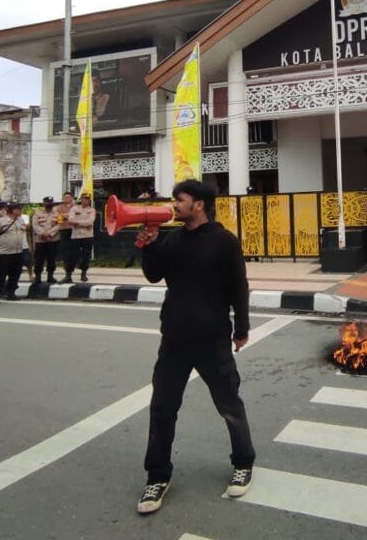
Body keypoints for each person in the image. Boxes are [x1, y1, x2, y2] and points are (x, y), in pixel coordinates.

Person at [134, 179, 254, 514]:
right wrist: (149, 246)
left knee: (229, 405)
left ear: (199, 204)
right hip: (174, 338)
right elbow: (154, 275)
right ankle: (157, 476)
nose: (174, 205)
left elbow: (239, 287)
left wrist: (241, 329)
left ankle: (243, 462)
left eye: (180, 199)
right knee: (162, 408)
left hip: (212, 339)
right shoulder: (173, 239)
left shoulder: (224, 241)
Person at [0, 203, 26, 304]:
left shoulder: (20, 220)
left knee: (15, 274)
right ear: (11, 210)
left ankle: (11, 293)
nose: (20, 211)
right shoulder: (0, 221)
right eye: (18, 209)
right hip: (3, 252)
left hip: (17, 252)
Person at [31, 197, 61, 289]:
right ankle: (38, 276)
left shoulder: (57, 213)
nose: (49, 203)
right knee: (39, 259)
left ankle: (50, 276)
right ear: (43, 203)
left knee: (51, 258)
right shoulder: (37, 213)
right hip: (40, 240)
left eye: (50, 202)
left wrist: (50, 234)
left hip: (53, 239)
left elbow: (59, 224)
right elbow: (35, 225)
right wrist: (43, 233)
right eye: (47, 202)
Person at [66, 193, 96, 283]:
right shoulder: (74, 209)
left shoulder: (92, 210)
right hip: (76, 236)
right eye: (85, 198)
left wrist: (77, 223)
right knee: (72, 255)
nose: (87, 200)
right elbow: (70, 220)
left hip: (88, 236)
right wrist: (84, 224)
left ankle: (83, 274)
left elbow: (90, 222)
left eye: (88, 198)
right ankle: (68, 275)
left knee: (86, 256)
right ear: (81, 199)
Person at [56, 192, 76, 280]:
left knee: (74, 252)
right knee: (65, 251)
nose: (66, 199)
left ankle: (72, 269)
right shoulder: (59, 207)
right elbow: (58, 217)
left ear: (71, 198)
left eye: (68, 197)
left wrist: (66, 215)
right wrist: (67, 215)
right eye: (65, 197)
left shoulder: (76, 207)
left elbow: (76, 217)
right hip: (63, 230)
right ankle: (68, 273)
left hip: (74, 230)